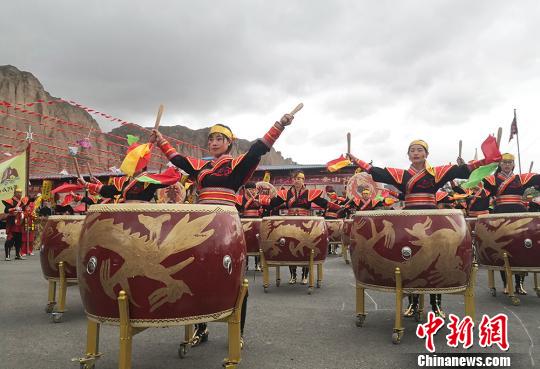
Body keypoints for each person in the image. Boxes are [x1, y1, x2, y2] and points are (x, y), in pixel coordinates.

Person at [151, 112, 294, 348]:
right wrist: (160, 140)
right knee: (194, 275)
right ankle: (201, 326)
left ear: (229, 143)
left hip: (227, 224)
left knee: (236, 280)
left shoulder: (237, 164)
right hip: (200, 224)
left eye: (219, 138)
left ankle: (237, 332)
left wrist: (279, 125)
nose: (214, 142)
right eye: (211, 139)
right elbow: (178, 159)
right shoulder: (201, 167)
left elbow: (259, 148)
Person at [348, 137, 501, 318]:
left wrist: (488, 160)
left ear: (426, 154)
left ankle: (436, 304)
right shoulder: (401, 176)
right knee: (410, 261)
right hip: (409, 220)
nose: (416, 153)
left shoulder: (436, 173)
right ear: (408, 155)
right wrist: (355, 159)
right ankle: (413, 303)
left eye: (419, 150)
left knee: (434, 264)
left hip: (431, 220)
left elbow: (461, 170)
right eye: (412, 150)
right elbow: (377, 172)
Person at [265, 170, 342, 284]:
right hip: (290, 223)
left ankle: (305, 276)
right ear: (293, 180)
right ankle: (293, 275)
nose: (298, 180)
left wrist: (339, 207)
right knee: (290, 247)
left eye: (301, 178)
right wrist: (263, 201)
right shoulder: (286, 193)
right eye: (296, 178)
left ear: (303, 180)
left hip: (306, 224)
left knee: (306, 248)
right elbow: (273, 204)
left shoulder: (310, 193)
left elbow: (324, 203)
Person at [482, 153, 540, 295]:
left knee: (522, 248)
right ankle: (506, 283)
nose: (507, 164)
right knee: (503, 250)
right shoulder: (492, 179)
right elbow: (480, 188)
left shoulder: (521, 179)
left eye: (509, 162)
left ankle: (519, 284)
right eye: (504, 162)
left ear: (513, 164)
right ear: (500, 164)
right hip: (500, 215)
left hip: (519, 215)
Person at [236, 182, 267, 271]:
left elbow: (267, 206)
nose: (252, 191)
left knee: (257, 242)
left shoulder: (259, 197)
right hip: (245, 222)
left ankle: (258, 264)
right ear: (245, 190)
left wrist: (260, 203)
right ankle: (245, 264)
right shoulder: (240, 198)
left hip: (257, 222)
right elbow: (238, 209)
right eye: (249, 189)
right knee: (246, 242)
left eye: (253, 189)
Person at [2, 187, 29, 260]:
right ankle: (7, 256)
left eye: (20, 193)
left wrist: (25, 212)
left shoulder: (22, 202)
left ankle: (18, 255)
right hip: (12, 223)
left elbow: (24, 211)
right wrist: (14, 208)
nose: (20, 194)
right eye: (18, 192)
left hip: (20, 223)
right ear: (15, 193)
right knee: (10, 239)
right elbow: (6, 210)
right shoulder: (10, 201)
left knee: (19, 240)